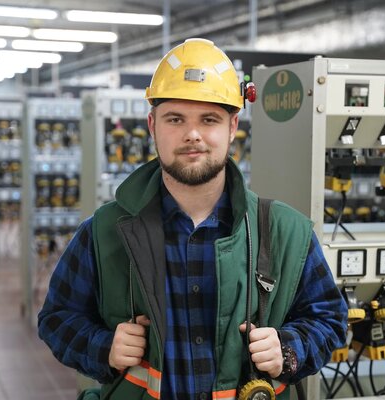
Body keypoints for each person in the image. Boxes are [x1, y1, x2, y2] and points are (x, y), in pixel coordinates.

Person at [38, 38, 347, 400]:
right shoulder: (105, 232)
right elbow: (57, 319)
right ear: (153, 125)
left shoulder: (284, 232)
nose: (193, 134)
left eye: (209, 119)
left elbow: (329, 319)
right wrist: (102, 346)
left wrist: (289, 348)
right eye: (176, 119)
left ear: (233, 127)